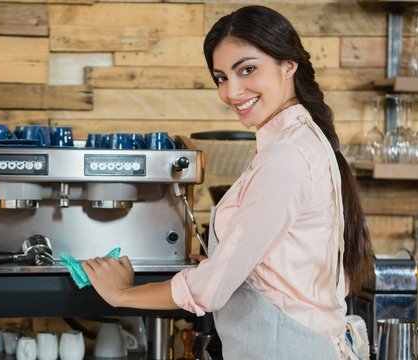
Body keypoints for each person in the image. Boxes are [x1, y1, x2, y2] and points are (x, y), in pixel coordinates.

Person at [81, 5, 373, 359]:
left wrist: (121, 295)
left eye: (247, 70)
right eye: (221, 77)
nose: (232, 92)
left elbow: (211, 290)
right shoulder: (299, 141)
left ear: (288, 65)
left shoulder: (286, 156)